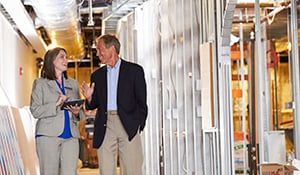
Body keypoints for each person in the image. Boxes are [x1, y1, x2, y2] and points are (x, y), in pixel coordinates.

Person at [81, 34, 148, 175]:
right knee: (106, 170)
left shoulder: (135, 71)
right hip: (105, 124)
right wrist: (88, 98)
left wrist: (138, 125)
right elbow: (93, 105)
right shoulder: (97, 76)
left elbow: (142, 102)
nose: (97, 53)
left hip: (128, 123)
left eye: (100, 49)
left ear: (112, 49)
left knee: (132, 169)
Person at [30, 47, 84, 175]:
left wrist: (76, 112)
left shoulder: (73, 84)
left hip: (71, 137)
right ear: (52, 61)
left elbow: (81, 114)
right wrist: (55, 104)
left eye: (66, 57)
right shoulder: (40, 84)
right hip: (48, 136)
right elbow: (35, 110)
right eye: (62, 57)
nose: (66, 60)